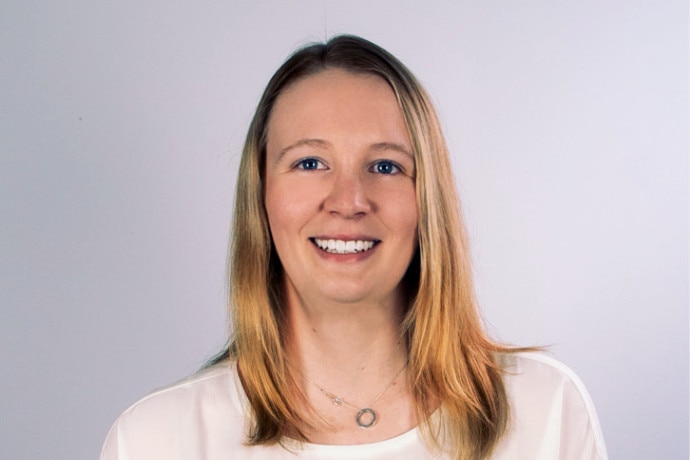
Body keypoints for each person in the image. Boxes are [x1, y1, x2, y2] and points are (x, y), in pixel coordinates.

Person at [100, 35, 607, 460]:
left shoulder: (545, 411)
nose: (349, 201)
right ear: (261, 196)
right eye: (309, 163)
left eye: (386, 166)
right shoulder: (157, 440)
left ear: (426, 200)